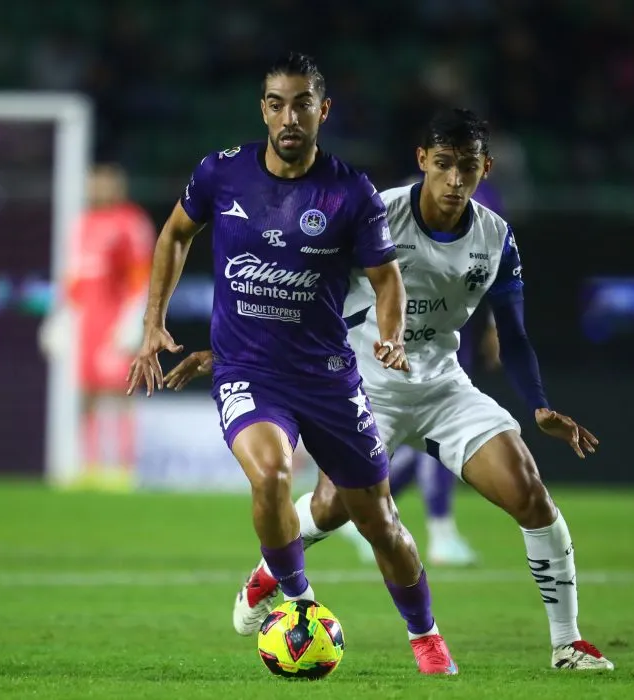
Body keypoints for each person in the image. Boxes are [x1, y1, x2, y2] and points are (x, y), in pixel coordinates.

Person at [166, 108, 614, 671]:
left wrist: (541, 403)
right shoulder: (376, 212)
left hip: (443, 384)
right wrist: (240, 352)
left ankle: (567, 643)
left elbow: (515, 334)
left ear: (486, 169)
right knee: (332, 509)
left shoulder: (496, 237)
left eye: (468, 168)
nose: (455, 180)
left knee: (530, 494)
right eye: (444, 165)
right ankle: (267, 575)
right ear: (422, 161)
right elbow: (303, 285)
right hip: (363, 383)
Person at [126, 53, 457, 675]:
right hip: (248, 372)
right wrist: (153, 323)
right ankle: (299, 602)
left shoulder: (350, 191)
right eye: (277, 103)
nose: (289, 116)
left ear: (322, 111)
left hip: (327, 377)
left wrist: (390, 338)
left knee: (378, 520)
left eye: (302, 103)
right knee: (272, 473)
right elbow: (173, 234)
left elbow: (388, 280)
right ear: (263, 109)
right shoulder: (221, 174)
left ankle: (426, 636)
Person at [337, 180, 506, 566]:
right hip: (404, 337)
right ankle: (439, 532)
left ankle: (358, 508)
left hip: (443, 333)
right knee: (429, 438)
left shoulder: (483, 204)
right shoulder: (403, 203)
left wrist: (495, 325)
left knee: (427, 442)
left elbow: (491, 265)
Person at [39, 164, 154, 491]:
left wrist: (134, 319)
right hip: (85, 321)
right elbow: (72, 278)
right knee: (86, 394)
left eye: (104, 184)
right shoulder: (81, 225)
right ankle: (88, 466)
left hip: (116, 320)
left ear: (118, 186)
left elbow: (141, 274)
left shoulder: (131, 223)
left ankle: (122, 468)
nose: (98, 190)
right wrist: (60, 317)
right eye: (93, 184)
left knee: (121, 391)